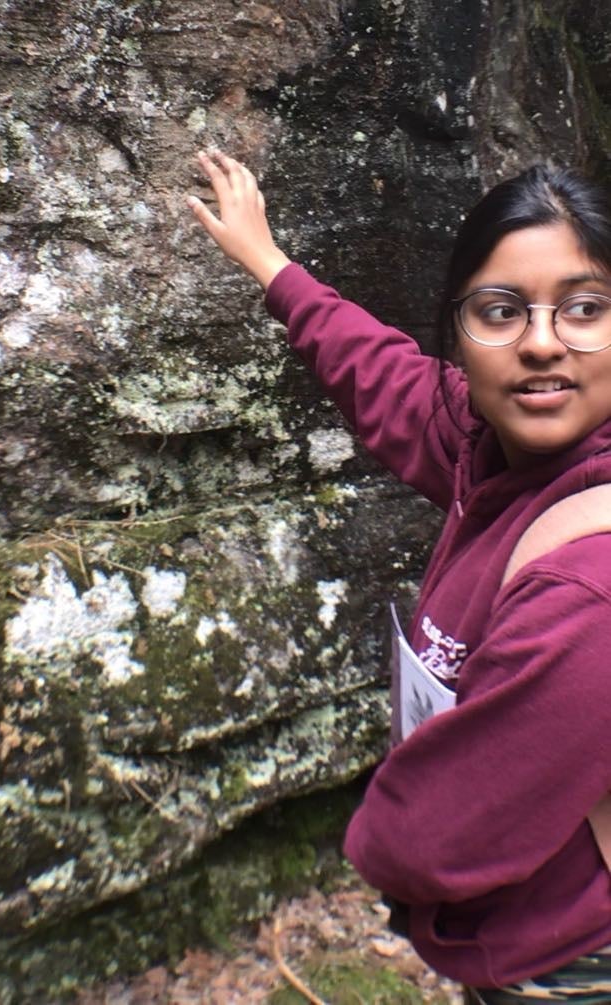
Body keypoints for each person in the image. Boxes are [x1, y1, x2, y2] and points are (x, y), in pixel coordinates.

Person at [187, 148, 611, 1003]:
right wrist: (269, 262)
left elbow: (436, 837)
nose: (540, 343)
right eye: (501, 310)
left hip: (569, 960)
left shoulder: (589, 586)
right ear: (457, 332)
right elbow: (379, 373)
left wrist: (380, 842)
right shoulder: (486, 445)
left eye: (586, 308)